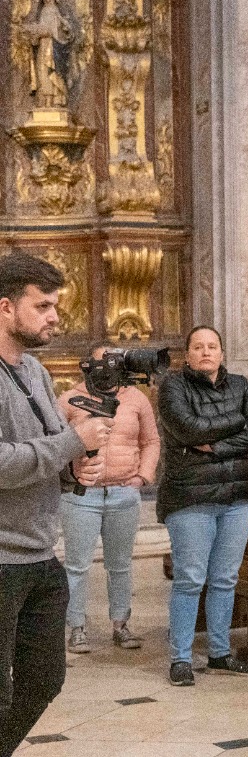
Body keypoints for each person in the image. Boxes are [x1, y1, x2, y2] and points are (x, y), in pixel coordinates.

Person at [0, 253, 110, 755]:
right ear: (5, 307)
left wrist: (72, 471)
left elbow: (47, 448)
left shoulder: (38, 373)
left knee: (43, 680)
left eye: (55, 306)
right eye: (42, 305)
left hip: (41, 556)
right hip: (1, 560)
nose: (54, 317)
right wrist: (71, 445)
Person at [157, 326, 248, 687]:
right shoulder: (173, 387)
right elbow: (188, 429)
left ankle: (220, 653)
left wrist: (215, 444)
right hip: (190, 497)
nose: (206, 352)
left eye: (212, 346)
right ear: (187, 354)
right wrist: (237, 421)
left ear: (222, 352)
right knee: (190, 578)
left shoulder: (241, 385)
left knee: (225, 578)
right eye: (198, 346)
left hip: (238, 498)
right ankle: (181, 658)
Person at [58, 343, 160, 654]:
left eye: (115, 360)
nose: (109, 367)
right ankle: (77, 628)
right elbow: (53, 444)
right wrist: (69, 473)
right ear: (87, 365)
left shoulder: (136, 398)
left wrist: (141, 476)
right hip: (81, 494)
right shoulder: (67, 399)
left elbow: (151, 440)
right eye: (102, 361)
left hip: (122, 493)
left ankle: (121, 624)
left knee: (120, 565)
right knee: (76, 565)